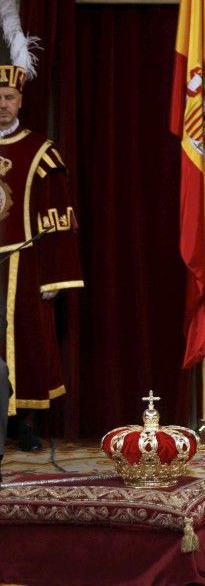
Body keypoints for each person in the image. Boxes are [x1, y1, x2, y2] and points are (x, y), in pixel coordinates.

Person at [0, 62, 83, 453]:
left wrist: (55, 278)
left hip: (24, 265)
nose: (2, 104)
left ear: (20, 101)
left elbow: (59, 219)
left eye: (9, 97)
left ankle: (25, 423)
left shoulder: (40, 151)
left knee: (27, 346)